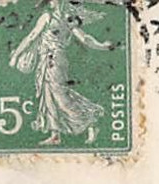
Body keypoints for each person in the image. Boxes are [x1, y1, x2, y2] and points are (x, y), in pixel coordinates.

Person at [8, 0, 112, 147]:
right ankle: (55, 134)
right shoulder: (61, 17)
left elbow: (83, 38)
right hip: (48, 60)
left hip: (54, 61)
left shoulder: (56, 17)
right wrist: (102, 46)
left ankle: (90, 121)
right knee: (48, 95)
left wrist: (15, 56)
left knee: (60, 96)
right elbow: (32, 37)